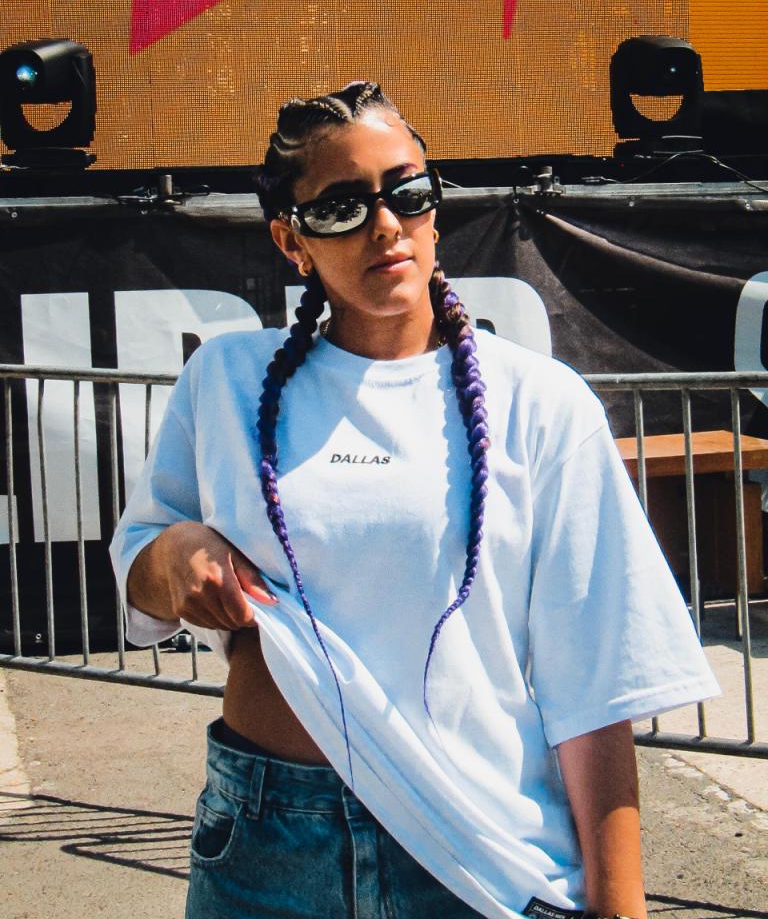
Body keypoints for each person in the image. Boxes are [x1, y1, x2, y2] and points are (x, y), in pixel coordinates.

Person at [110, 81, 719, 919]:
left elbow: (595, 681)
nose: (386, 225)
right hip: (264, 836)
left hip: (471, 843)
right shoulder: (226, 381)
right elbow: (141, 574)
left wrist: (621, 907)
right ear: (291, 240)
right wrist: (173, 554)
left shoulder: (541, 403)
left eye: (408, 192)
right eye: (341, 207)